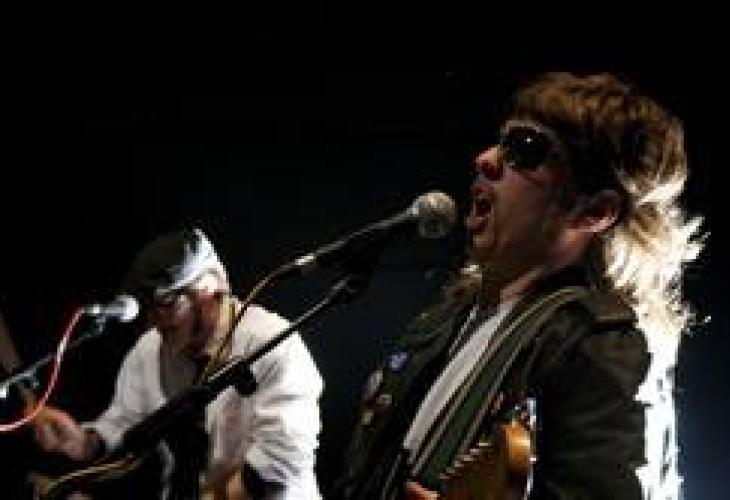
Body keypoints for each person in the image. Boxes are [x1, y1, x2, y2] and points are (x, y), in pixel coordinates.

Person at [334, 72, 705, 499]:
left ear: (595, 212)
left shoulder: (598, 347)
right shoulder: (451, 318)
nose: (485, 159)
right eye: (501, 142)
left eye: (524, 149)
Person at [32, 227, 324, 499]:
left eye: (166, 303)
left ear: (208, 288)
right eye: (148, 307)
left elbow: (276, 467)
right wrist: (84, 442)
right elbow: (124, 423)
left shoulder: (272, 342)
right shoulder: (150, 350)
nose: (153, 321)